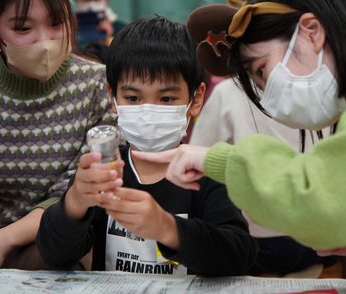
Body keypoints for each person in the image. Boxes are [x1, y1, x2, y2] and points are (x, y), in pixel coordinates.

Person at [133, 0, 346, 270]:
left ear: (312, 31)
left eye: (262, 70)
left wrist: (221, 161)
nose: (271, 103)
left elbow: (326, 207)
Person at [36, 15, 258, 276]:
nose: (147, 111)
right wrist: (74, 203)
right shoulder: (105, 173)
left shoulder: (205, 173)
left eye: (166, 98)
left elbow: (238, 255)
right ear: (113, 98)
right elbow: (55, 255)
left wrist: (168, 228)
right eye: (132, 97)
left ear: (195, 99)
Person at [0, 0, 115, 269]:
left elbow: (79, 189)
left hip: (57, 247)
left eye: (57, 24)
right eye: (23, 28)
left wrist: (4, 240)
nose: (45, 42)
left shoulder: (99, 86)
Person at [190, 78, 337, 276]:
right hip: (325, 240)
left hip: (258, 244)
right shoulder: (330, 84)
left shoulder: (229, 91)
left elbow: (198, 156)